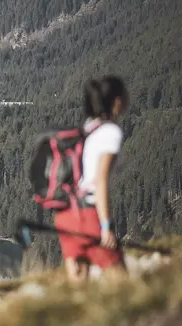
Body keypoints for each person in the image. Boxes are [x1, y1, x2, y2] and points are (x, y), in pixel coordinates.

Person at [55, 76, 129, 285]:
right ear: (116, 101)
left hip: (66, 214)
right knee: (123, 285)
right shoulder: (110, 132)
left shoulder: (88, 127)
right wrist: (106, 225)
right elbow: (101, 180)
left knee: (79, 292)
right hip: (87, 215)